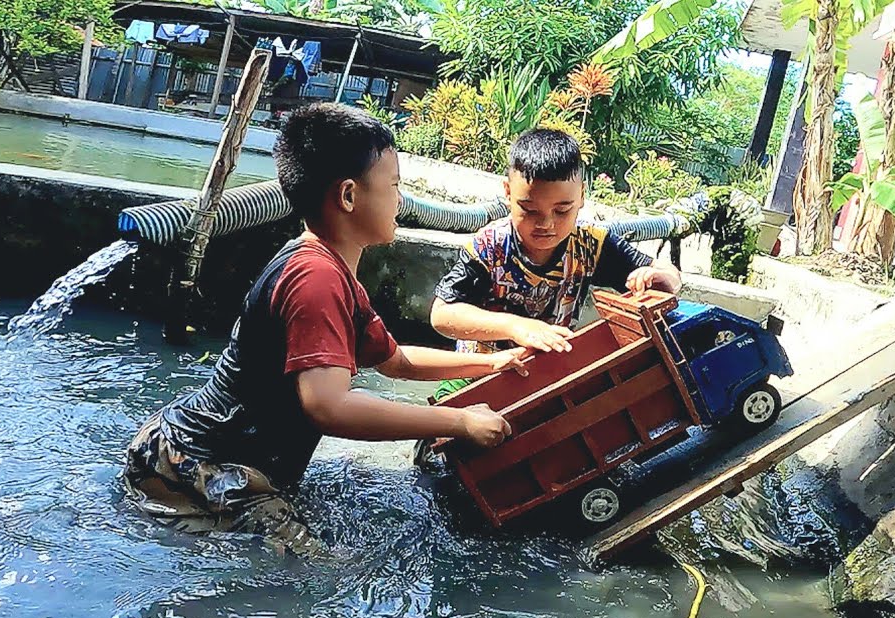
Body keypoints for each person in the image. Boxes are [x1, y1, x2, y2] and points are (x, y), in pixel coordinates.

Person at [123, 103, 523, 554]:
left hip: (192, 451)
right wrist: (460, 421)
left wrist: (491, 361)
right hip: (194, 466)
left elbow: (395, 361)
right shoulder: (316, 280)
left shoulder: (330, 270)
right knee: (314, 574)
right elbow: (328, 406)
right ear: (349, 196)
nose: (400, 200)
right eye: (394, 186)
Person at [427, 128, 683, 400]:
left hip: (547, 378)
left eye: (562, 210)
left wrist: (664, 280)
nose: (546, 224)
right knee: (442, 428)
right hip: (476, 375)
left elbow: (668, 274)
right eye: (529, 209)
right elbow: (442, 316)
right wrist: (517, 327)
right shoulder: (489, 246)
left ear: (582, 196)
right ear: (507, 192)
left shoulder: (591, 245)